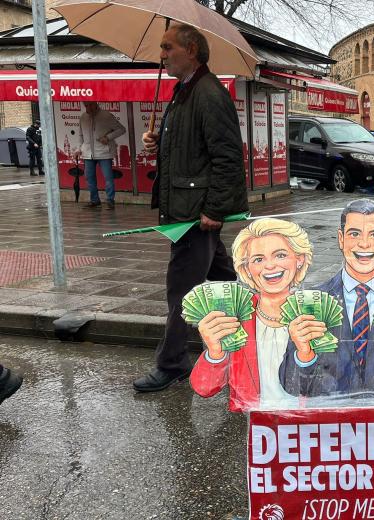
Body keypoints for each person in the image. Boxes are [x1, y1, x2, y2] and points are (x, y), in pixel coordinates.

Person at [133, 23, 249, 393]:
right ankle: (250, 339)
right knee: (226, 281)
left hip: (195, 215)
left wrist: (214, 209)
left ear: (192, 50)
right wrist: (158, 142)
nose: (162, 55)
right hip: (188, 209)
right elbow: (191, 149)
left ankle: (172, 362)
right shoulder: (183, 91)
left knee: (181, 289)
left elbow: (227, 157)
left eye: (168, 47)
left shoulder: (209, 93)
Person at [281, 199, 374, 397]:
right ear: (341, 239)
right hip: (332, 415)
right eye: (354, 234)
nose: (364, 244)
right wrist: (304, 355)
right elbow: (291, 386)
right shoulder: (310, 303)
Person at [190, 219, 313, 412]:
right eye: (258, 259)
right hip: (255, 423)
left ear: (300, 259)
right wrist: (215, 352)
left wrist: (306, 355)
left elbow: (337, 384)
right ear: (246, 268)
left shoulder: (317, 313)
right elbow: (204, 388)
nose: (269, 266)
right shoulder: (234, 318)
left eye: (280, 255)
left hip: (307, 423)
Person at [73, 101, 127, 210]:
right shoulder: (83, 117)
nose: (88, 108)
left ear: (95, 103)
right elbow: (80, 135)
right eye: (86, 105)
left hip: (104, 153)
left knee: (108, 178)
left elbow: (122, 129)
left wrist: (108, 137)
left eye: (90, 105)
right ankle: (94, 200)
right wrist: (78, 148)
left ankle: (110, 200)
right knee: (89, 178)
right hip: (88, 153)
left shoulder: (106, 115)